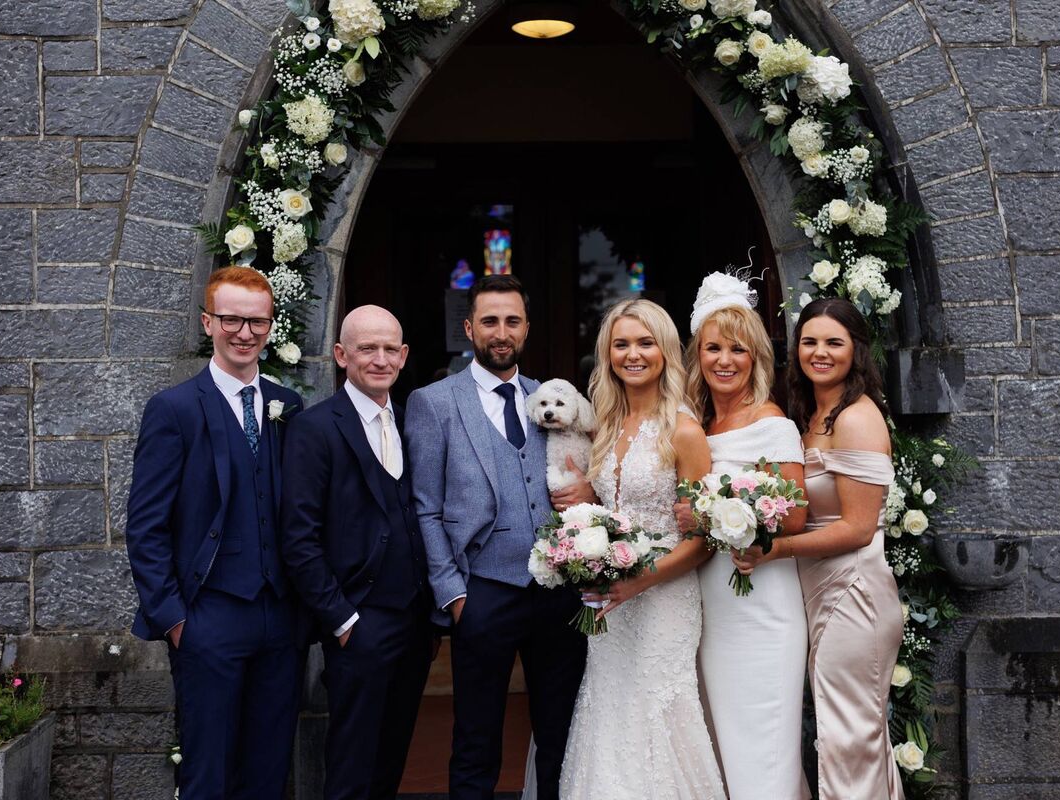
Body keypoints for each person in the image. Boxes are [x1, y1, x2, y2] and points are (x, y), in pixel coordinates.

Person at [407, 275, 592, 800]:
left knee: (560, 733)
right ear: (469, 328)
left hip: (557, 591)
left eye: (512, 321)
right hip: (483, 590)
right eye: (490, 321)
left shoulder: (551, 398)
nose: (501, 332)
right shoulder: (434, 402)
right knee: (476, 738)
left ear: (526, 328)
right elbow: (425, 507)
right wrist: (453, 594)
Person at [126, 266, 304, 800]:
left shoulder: (289, 406)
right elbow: (146, 525)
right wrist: (176, 620)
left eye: (257, 322)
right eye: (231, 320)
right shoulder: (174, 409)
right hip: (208, 618)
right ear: (208, 323)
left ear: (270, 326)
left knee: (269, 773)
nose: (244, 333)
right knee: (207, 775)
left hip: (281, 620)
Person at [560, 298, 725, 800]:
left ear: (665, 350)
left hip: (665, 601)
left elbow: (703, 541)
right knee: (610, 712)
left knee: (657, 714)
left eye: (645, 343)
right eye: (622, 344)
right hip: (611, 604)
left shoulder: (684, 431)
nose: (633, 354)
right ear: (607, 354)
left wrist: (639, 581)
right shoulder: (604, 425)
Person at [745, 297, 905, 799]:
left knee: (849, 736)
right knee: (848, 732)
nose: (820, 352)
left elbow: (858, 528)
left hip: (854, 591)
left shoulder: (856, 418)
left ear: (855, 350)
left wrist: (775, 548)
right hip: (822, 589)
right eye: (809, 341)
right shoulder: (814, 415)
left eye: (834, 342)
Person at [279, 306, 433, 800]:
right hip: (358, 622)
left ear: (404, 356)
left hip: (415, 624)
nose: (380, 359)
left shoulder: (412, 423)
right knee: (351, 767)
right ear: (342, 355)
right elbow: (298, 538)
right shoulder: (314, 428)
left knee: (391, 760)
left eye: (390, 349)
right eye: (367, 348)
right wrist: (342, 621)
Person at [674, 273, 811, 799]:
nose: (725, 360)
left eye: (738, 349)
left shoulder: (772, 423)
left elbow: (795, 516)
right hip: (711, 604)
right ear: (698, 354)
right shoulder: (697, 424)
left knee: (764, 742)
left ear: (756, 357)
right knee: (723, 741)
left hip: (762, 603)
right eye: (714, 348)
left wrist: (713, 517)